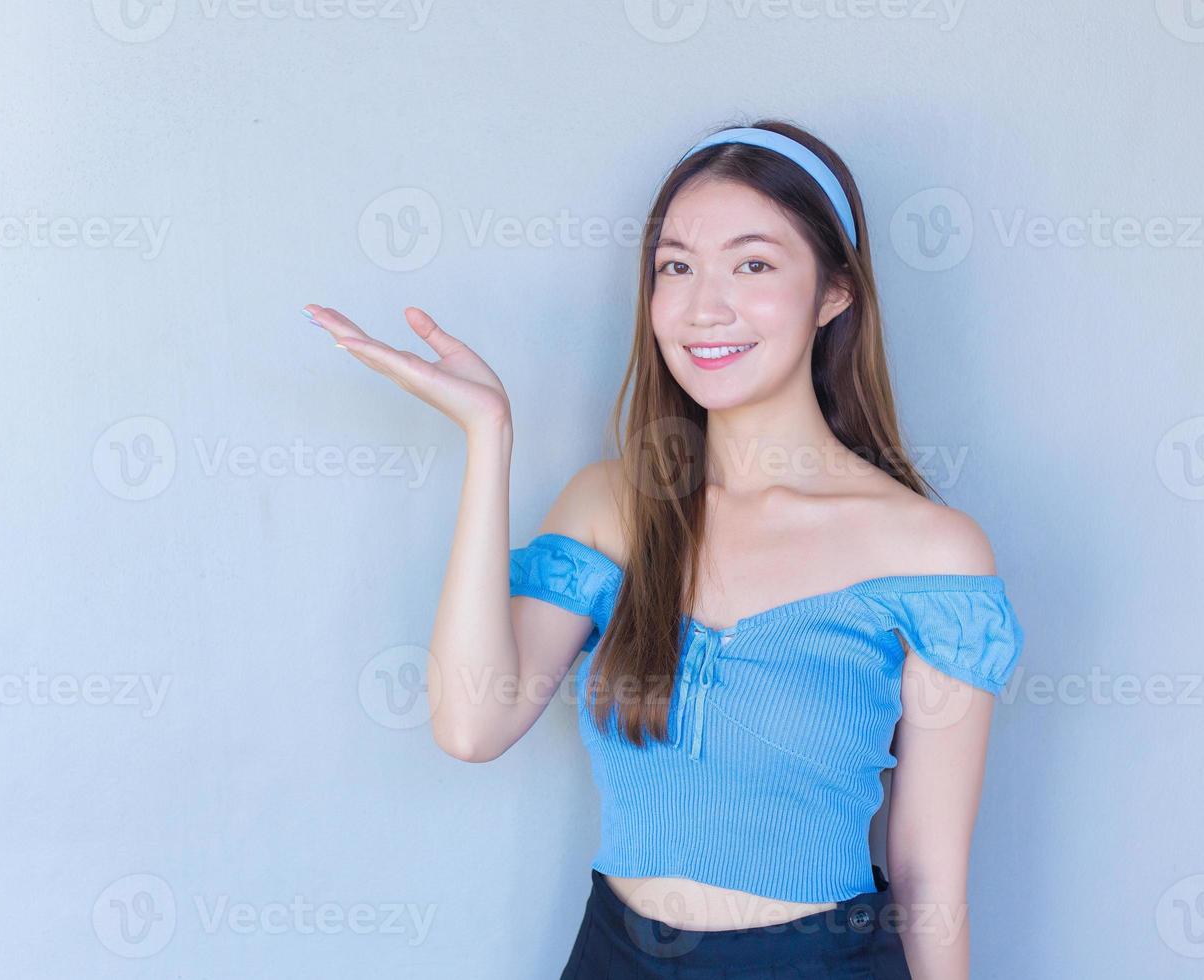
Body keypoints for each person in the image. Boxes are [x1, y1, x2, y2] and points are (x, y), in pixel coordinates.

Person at [303, 117, 1025, 979]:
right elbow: (471, 723)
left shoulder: (932, 554)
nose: (703, 306)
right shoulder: (612, 506)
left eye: (753, 264)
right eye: (675, 266)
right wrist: (487, 436)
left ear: (835, 291)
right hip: (616, 956)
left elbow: (926, 873)